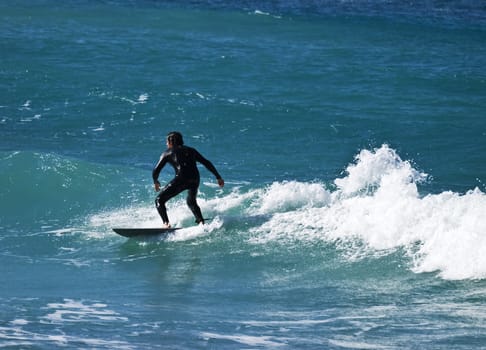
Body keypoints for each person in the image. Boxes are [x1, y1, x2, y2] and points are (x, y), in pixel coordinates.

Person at [152, 131, 224, 228]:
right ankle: (201, 222)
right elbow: (206, 162)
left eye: (166, 141)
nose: (166, 144)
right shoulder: (191, 150)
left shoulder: (167, 153)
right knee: (191, 201)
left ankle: (166, 223)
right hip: (195, 179)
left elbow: (156, 170)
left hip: (181, 178)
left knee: (159, 200)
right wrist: (218, 177)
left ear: (170, 141)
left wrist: (155, 181)